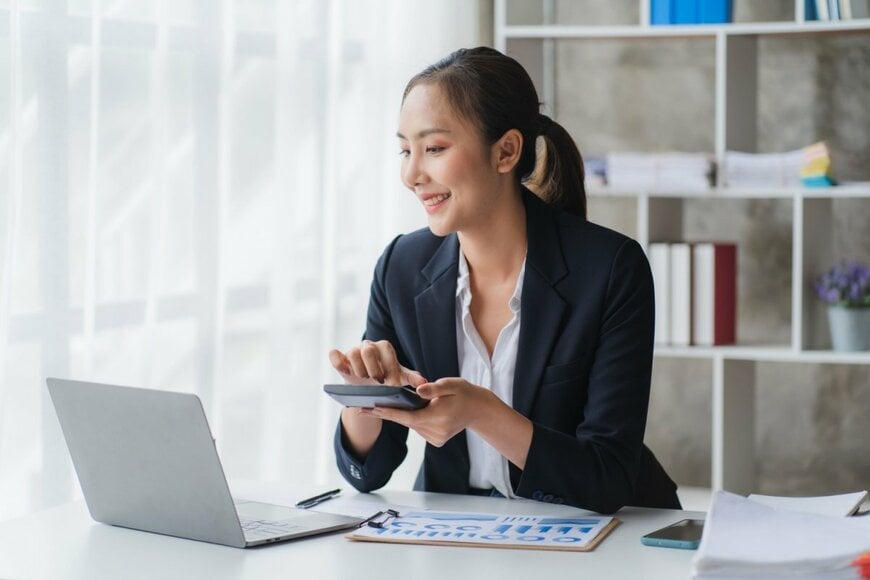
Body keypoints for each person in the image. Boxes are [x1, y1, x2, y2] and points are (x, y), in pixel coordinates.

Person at [328, 46, 680, 513]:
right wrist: (365, 399)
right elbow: (368, 473)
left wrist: (482, 412)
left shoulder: (612, 268)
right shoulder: (401, 266)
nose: (411, 174)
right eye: (405, 150)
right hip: (461, 532)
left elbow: (608, 477)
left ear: (506, 151)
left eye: (433, 148)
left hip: (602, 532)